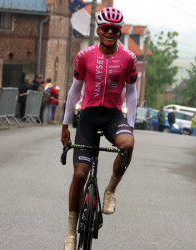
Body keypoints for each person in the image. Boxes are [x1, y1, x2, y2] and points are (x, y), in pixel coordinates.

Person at [60, 7, 137, 250]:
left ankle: (110, 191)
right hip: (89, 116)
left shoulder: (128, 58)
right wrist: (65, 123)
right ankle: (71, 232)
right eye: (107, 28)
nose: (111, 32)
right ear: (99, 29)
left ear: (119, 32)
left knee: (128, 145)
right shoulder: (84, 55)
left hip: (113, 115)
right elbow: (74, 91)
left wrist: (131, 126)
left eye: (115, 29)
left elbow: (132, 94)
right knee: (80, 174)